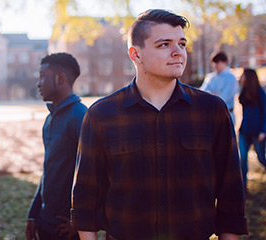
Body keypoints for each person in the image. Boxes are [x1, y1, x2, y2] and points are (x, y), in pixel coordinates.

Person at [71, 9, 247, 240]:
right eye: (164, 45)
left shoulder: (211, 110)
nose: (178, 52)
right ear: (135, 55)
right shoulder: (102, 114)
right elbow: (85, 193)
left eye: (182, 44)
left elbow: (231, 190)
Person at [25, 52, 87, 240]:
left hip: (66, 227)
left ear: (60, 79)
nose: (38, 83)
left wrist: (81, 220)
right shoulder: (49, 119)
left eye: (43, 76)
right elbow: (48, 170)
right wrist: (33, 214)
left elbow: (98, 173)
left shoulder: (80, 117)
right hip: (45, 221)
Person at [238, 68, 266, 189]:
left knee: (261, 158)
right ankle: (243, 184)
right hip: (244, 130)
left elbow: (265, 112)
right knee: (242, 158)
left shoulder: (260, 92)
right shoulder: (243, 91)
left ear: (248, 77)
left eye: (243, 75)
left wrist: (263, 131)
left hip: (257, 131)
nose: (241, 77)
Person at [200, 51, 239, 123]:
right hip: (211, 116)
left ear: (224, 62)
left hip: (227, 115)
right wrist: (214, 95)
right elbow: (201, 93)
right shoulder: (210, 77)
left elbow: (224, 98)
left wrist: (210, 94)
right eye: (214, 63)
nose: (215, 65)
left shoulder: (231, 78)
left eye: (217, 63)